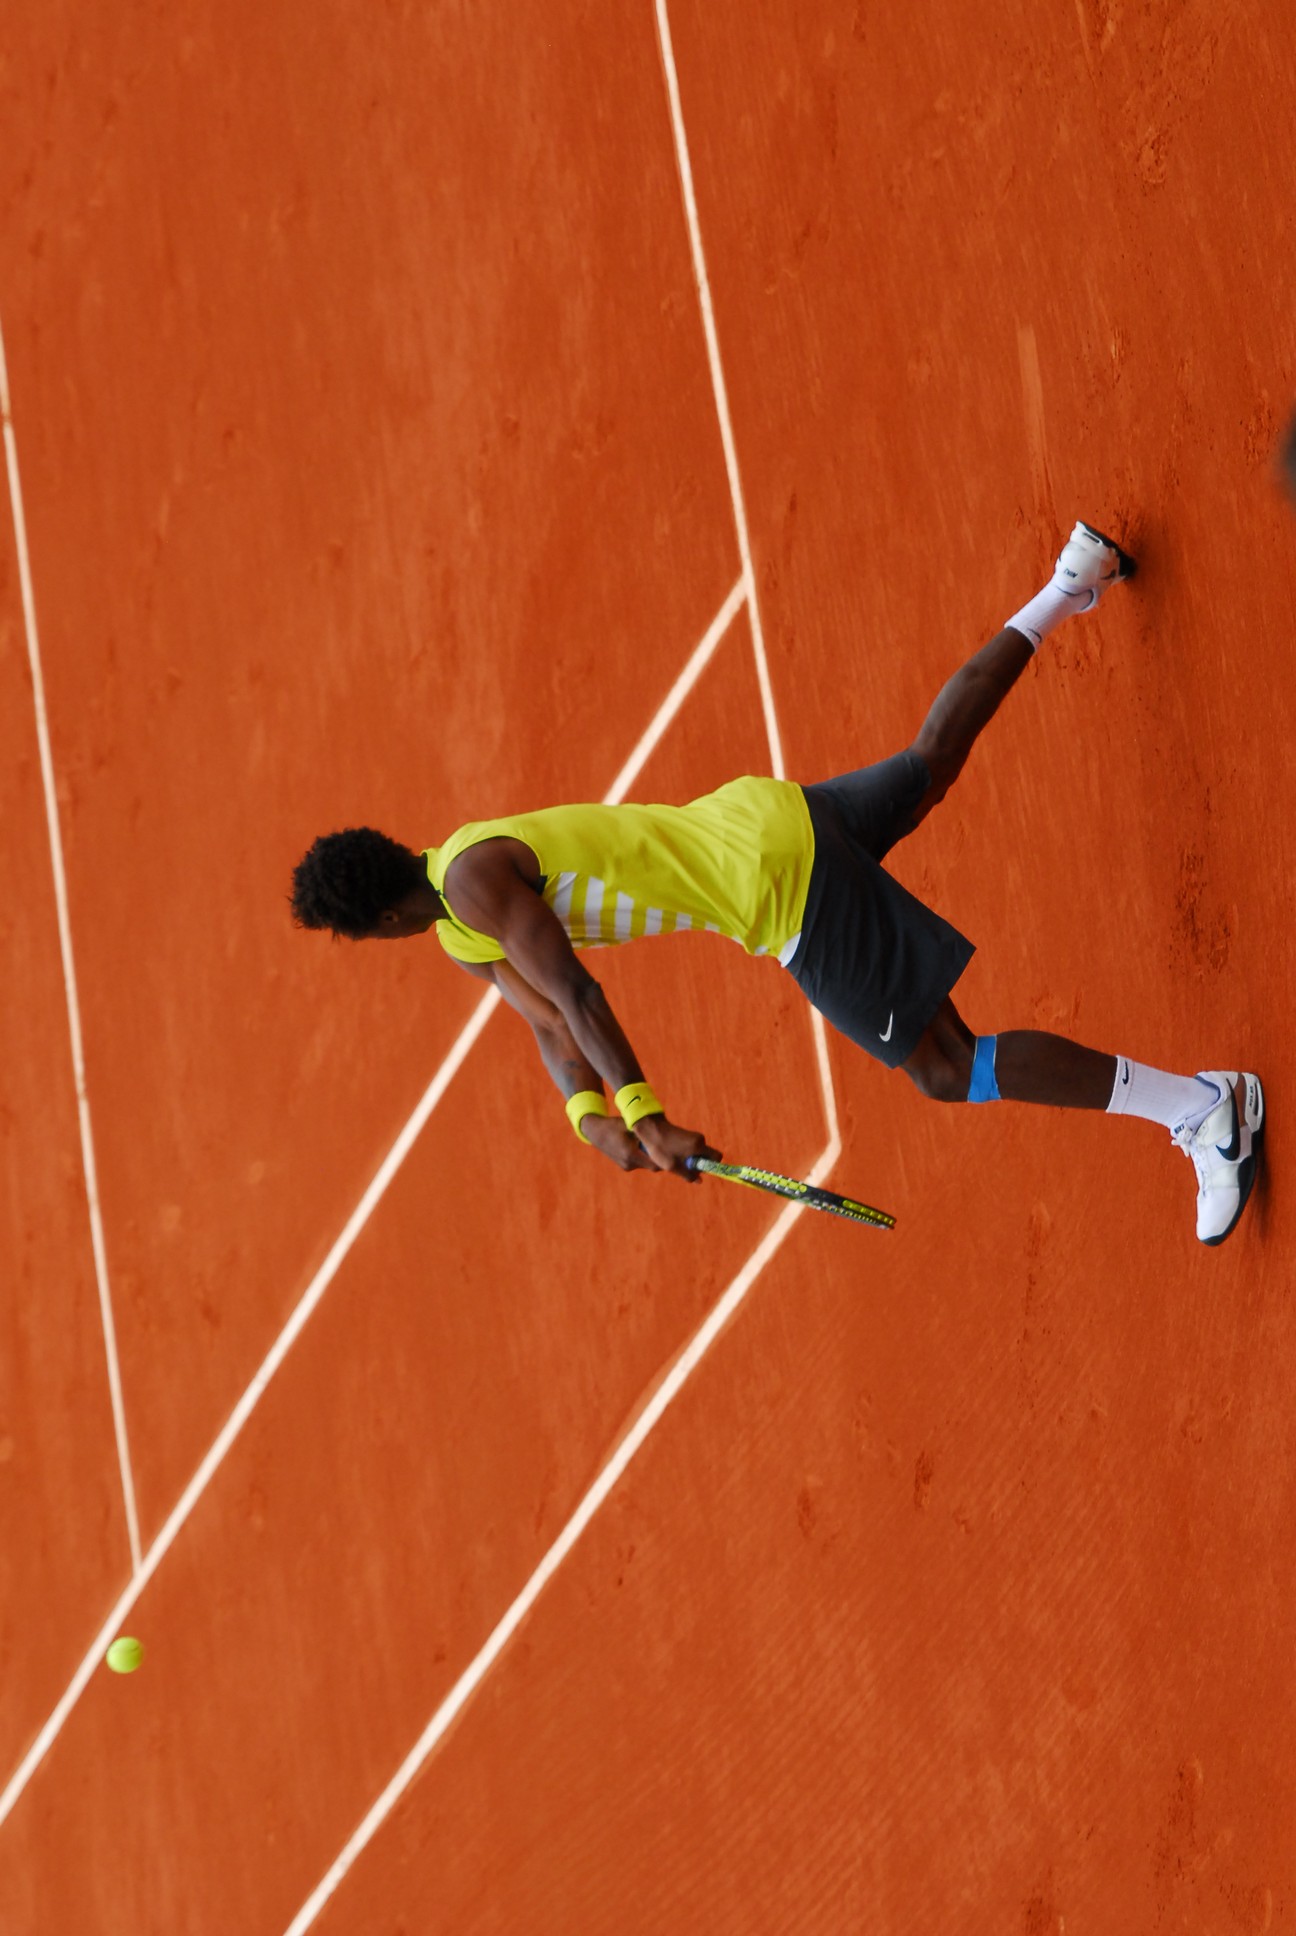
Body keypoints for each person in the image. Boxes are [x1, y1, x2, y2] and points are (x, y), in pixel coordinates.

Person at [291, 522, 1264, 1247]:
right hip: (762, 819)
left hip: (777, 889)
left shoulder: (473, 887)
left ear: (379, 918)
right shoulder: (460, 923)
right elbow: (548, 1023)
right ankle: (1071, 581)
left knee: (945, 1066)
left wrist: (646, 1112)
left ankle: (1201, 1107)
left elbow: (579, 992)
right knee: (927, 763)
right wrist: (592, 1121)